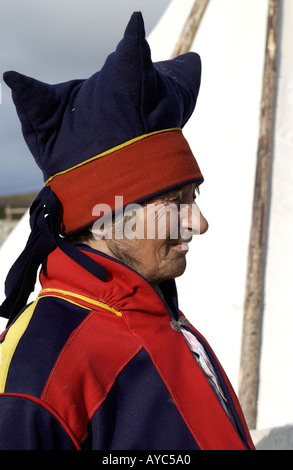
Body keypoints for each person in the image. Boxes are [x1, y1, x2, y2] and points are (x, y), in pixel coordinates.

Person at [0, 12, 254, 450]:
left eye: (193, 198)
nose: (199, 222)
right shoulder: (36, 371)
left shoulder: (159, 315)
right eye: (176, 203)